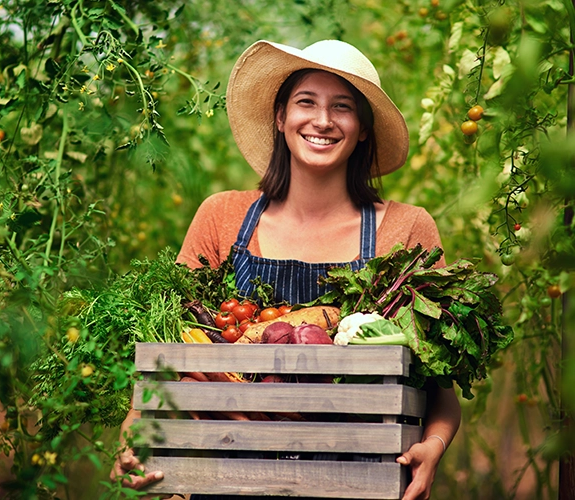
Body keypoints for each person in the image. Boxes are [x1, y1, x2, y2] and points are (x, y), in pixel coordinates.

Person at [111, 39, 462, 500]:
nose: (322, 120)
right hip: (228, 481)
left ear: (361, 129)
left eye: (343, 107)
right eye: (306, 102)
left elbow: (440, 383)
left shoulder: (406, 229)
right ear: (280, 117)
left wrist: (432, 447)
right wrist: (135, 438)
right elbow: (168, 360)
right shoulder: (222, 218)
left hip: (358, 481)